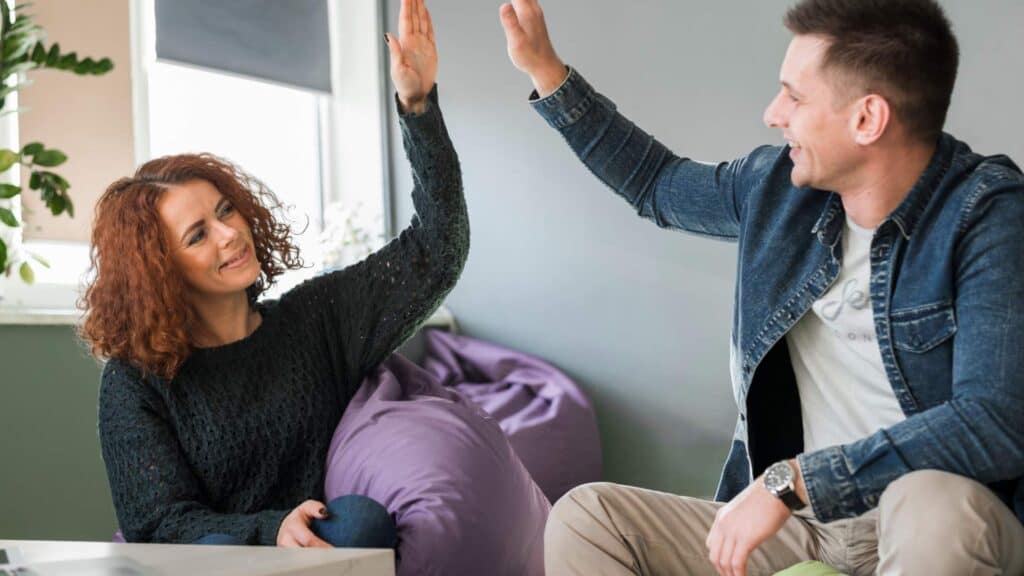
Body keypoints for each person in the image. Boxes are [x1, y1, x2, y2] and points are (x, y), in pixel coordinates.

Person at [499, 0, 1024, 574]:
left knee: (930, 503)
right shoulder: (777, 189)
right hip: (803, 527)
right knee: (587, 517)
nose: (774, 114)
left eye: (794, 97)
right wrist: (547, 72)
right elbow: (657, 183)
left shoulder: (987, 215)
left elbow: (994, 421)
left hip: (930, 525)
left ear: (867, 119)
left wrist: (795, 482)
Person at [80, 0, 468, 548]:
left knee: (360, 520)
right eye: (198, 235)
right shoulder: (136, 380)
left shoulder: (317, 320)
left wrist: (418, 106)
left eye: (225, 212)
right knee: (215, 552)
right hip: (223, 557)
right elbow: (158, 523)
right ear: (159, 273)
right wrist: (270, 528)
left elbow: (438, 251)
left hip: (320, 551)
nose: (229, 234)